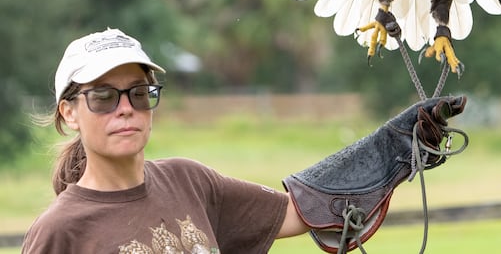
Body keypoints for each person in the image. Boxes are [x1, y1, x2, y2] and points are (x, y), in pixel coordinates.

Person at [22, 28, 466, 253]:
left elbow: (300, 209)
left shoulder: (189, 182)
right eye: (102, 96)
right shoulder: (60, 232)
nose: (125, 108)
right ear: (69, 112)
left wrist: (393, 146)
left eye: (139, 93)